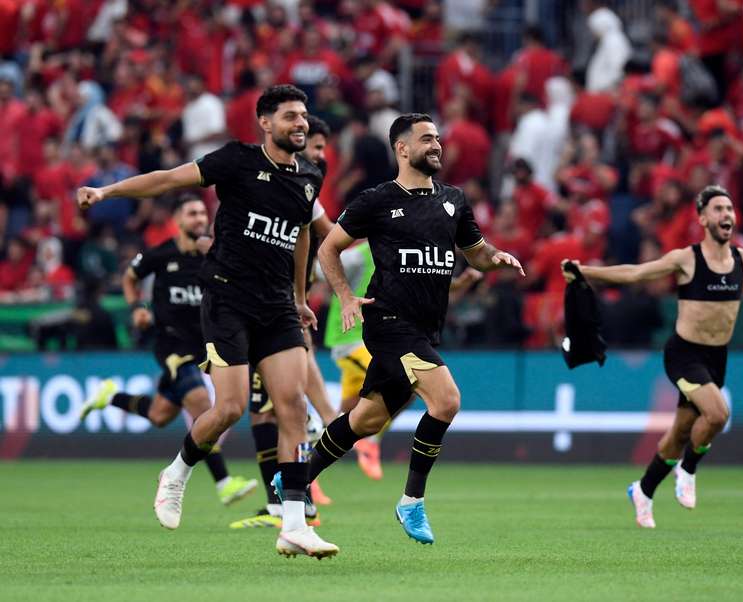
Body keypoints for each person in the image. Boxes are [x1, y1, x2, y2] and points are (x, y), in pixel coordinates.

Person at [77, 84, 338, 558]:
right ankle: (177, 472)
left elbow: (302, 237)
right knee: (229, 409)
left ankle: (294, 524)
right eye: (290, 116)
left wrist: (300, 297)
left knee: (294, 407)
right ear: (265, 122)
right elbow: (166, 180)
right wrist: (108, 189)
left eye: (304, 116)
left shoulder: (309, 177)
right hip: (227, 300)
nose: (300, 123)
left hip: (278, 304)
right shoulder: (236, 160)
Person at [561, 185, 743, 529]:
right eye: (718, 209)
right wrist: (586, 271)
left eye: (730, 209)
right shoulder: (686, 259)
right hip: (684, 354)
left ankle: (643, 490)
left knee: (679, 434)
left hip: (716, 357)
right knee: (718, 414)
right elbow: (636, 273)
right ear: (703, 219)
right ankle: (687, 470)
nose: (726, 215)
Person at [314, 113, 525, 544]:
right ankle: (411, 502)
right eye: (426, 139)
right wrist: (345, 296)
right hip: (389, 323)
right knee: (446, 401)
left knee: (366, 419)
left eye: (438, 139)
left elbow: (477, 254)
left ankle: (296, 477)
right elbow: (328, 247)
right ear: (402, 149)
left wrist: (496, 257)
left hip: (426, 329)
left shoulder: (454, 200)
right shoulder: (376, 199)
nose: (437, 145)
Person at [79, 196, 258, 507]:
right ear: (177, 219)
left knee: (159, 414)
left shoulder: (213, 257)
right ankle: (225, 483)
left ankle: (109, 396)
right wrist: (137, 307)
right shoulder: (161, 254)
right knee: (203, 406)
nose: (200, 219)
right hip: (172, 344)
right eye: (192, 213)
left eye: (203, 213)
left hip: (205, 344)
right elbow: (130, 277)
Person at [233, 115, 339, 530]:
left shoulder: (305, 188)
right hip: (271, 300)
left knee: (275, 409)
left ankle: (293, 500)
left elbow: (331, 235)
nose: (319, 154)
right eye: (314, 146)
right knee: (262, 412)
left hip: (277, 306)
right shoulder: (284, 184)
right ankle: (286, 503)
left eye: (323, 147)